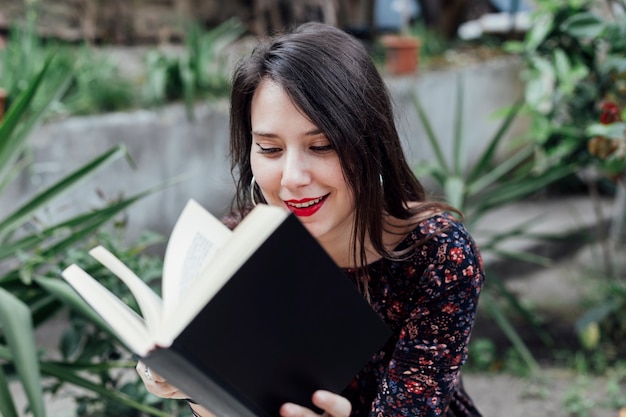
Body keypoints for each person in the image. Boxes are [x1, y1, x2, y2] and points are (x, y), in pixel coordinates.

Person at [137, 21, 485, 417]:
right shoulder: (238, 243)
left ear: (371, 145)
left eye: (321, 146)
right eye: (269, 149)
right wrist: (194, 385)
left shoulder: (438, 257)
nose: (292, 178)